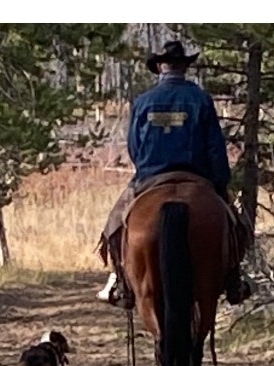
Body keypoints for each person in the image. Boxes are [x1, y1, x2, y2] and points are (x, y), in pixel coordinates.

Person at [98, 40, 252, 309]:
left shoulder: (143, 102)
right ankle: (234, 279)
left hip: (151, 177)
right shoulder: (200, 99)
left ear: (160, 67)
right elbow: (215, 147)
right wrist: (220, 183)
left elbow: (134, 147)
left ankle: (120, 280)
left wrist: (146, 169)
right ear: (184, 67)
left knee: (113, 225)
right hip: (198, 177)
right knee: (239, 225)